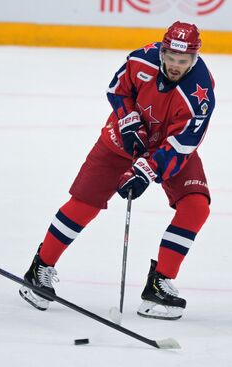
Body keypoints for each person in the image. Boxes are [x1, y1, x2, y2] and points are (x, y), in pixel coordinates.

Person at [19, 21, 214, 320]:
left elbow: (184, 142)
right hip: (120, 141)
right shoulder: (140, 59)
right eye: (171, 59)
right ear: (162, 52)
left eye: (183, 61)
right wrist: (128, 120)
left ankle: (159, 284)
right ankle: (40, 268)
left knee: (196, 207)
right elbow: (117, 89)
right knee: (84, 204)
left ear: (194, 58)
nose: (175, 66)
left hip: (166, 149)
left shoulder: (200, 93)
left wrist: (146, 170)